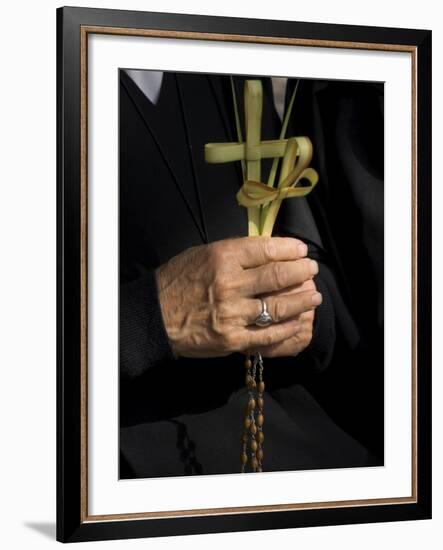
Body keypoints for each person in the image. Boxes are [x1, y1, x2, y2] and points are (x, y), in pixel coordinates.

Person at [119, 68, 384, 478]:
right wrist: (153, 318)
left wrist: (302, 306)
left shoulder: (231, 61)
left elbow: (324, 261)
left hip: (303, 441)